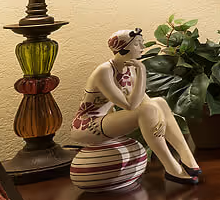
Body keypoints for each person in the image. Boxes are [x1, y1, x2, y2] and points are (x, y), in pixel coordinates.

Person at [71, 28, 202, 184]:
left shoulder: (128, 68)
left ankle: (187, 158)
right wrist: (142, 71)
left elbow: (144, 100)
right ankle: (171, 167)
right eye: (138, 44)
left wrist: (159, 115)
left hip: (106, 119)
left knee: (159, 102)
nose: (142, 47)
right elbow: (130, 105)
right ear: (123, 47)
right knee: (148, 109)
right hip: (88, 125)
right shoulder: (104, 71)